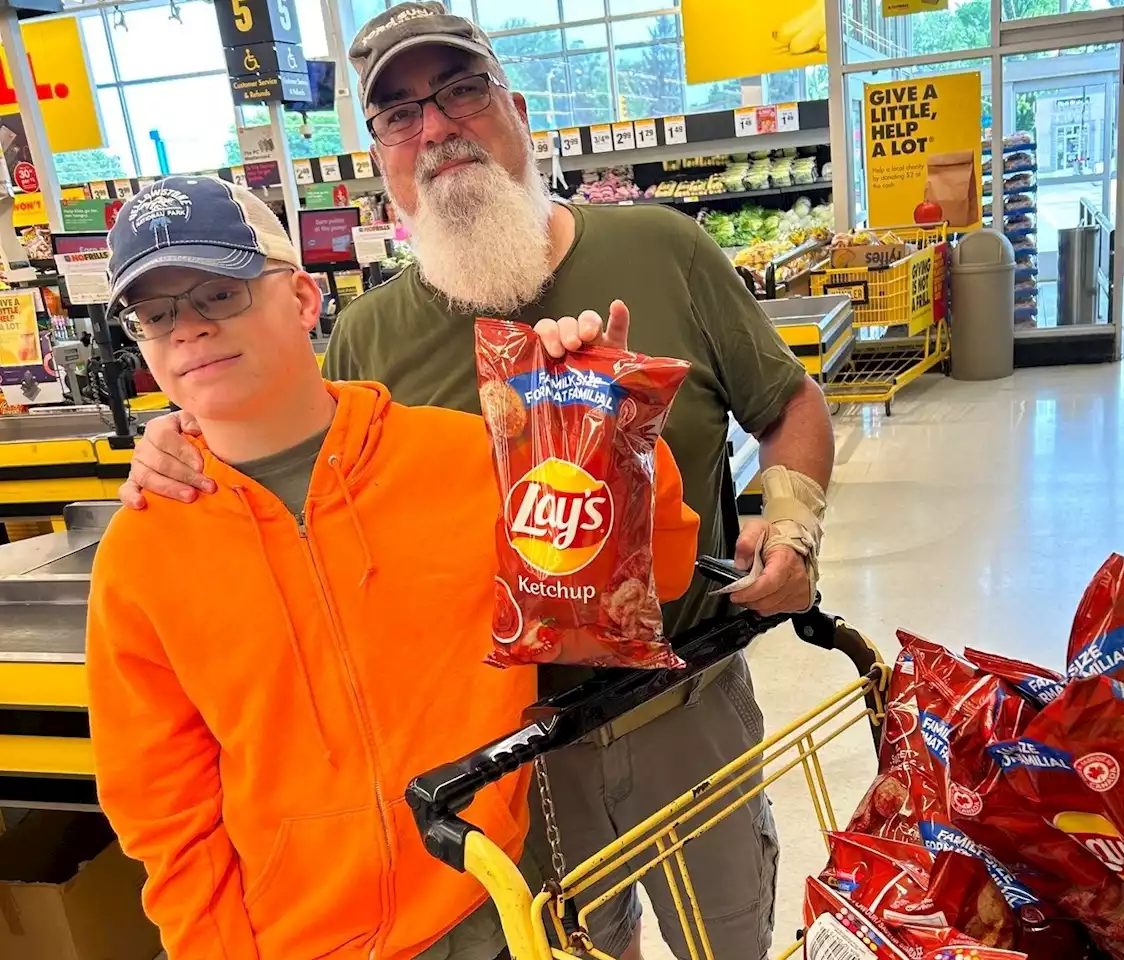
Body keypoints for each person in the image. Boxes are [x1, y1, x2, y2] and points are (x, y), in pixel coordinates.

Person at [119, 4, 836, 959]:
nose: (438, 128)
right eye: (400, 114)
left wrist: (788, 531)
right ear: (381, 156)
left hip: (685, 705)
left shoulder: (664, 249)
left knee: (730, 939)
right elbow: (306, 459)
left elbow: (791, 404)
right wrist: (183, 439)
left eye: (461, 90)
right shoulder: (371, 334)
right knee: (582, 948)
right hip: (510, 759)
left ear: (517, 107)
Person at [86, 175, 699, 960]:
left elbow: (662, 573)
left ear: (304, 300)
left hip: (500, 906)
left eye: (218, 294)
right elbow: (161, 804)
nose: (189, 330)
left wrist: (601, 427)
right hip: (297, 942)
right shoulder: (144, 551)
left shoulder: (466, 460)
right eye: (156, 313)